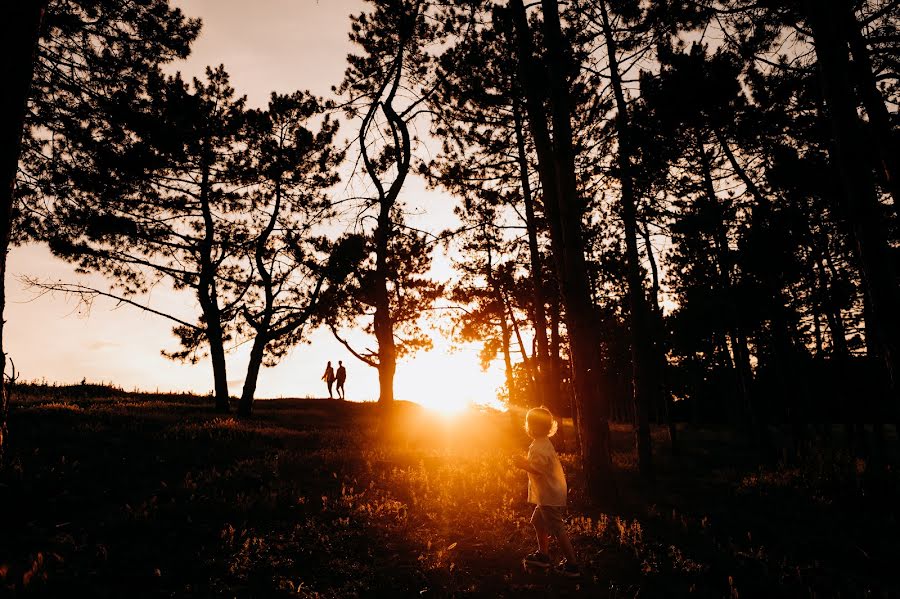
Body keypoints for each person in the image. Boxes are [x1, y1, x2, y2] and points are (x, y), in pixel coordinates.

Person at [513, 406, 580, 577]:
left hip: (549, 495)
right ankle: (543, 555)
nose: (529, 427)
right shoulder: (541, 443)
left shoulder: (540, 447)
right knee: (537, 521)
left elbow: (538, 469)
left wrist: (523, 464)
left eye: (531, 424)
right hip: (547, 494)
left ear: (536, 428)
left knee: (557, 529)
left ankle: (572, 565)